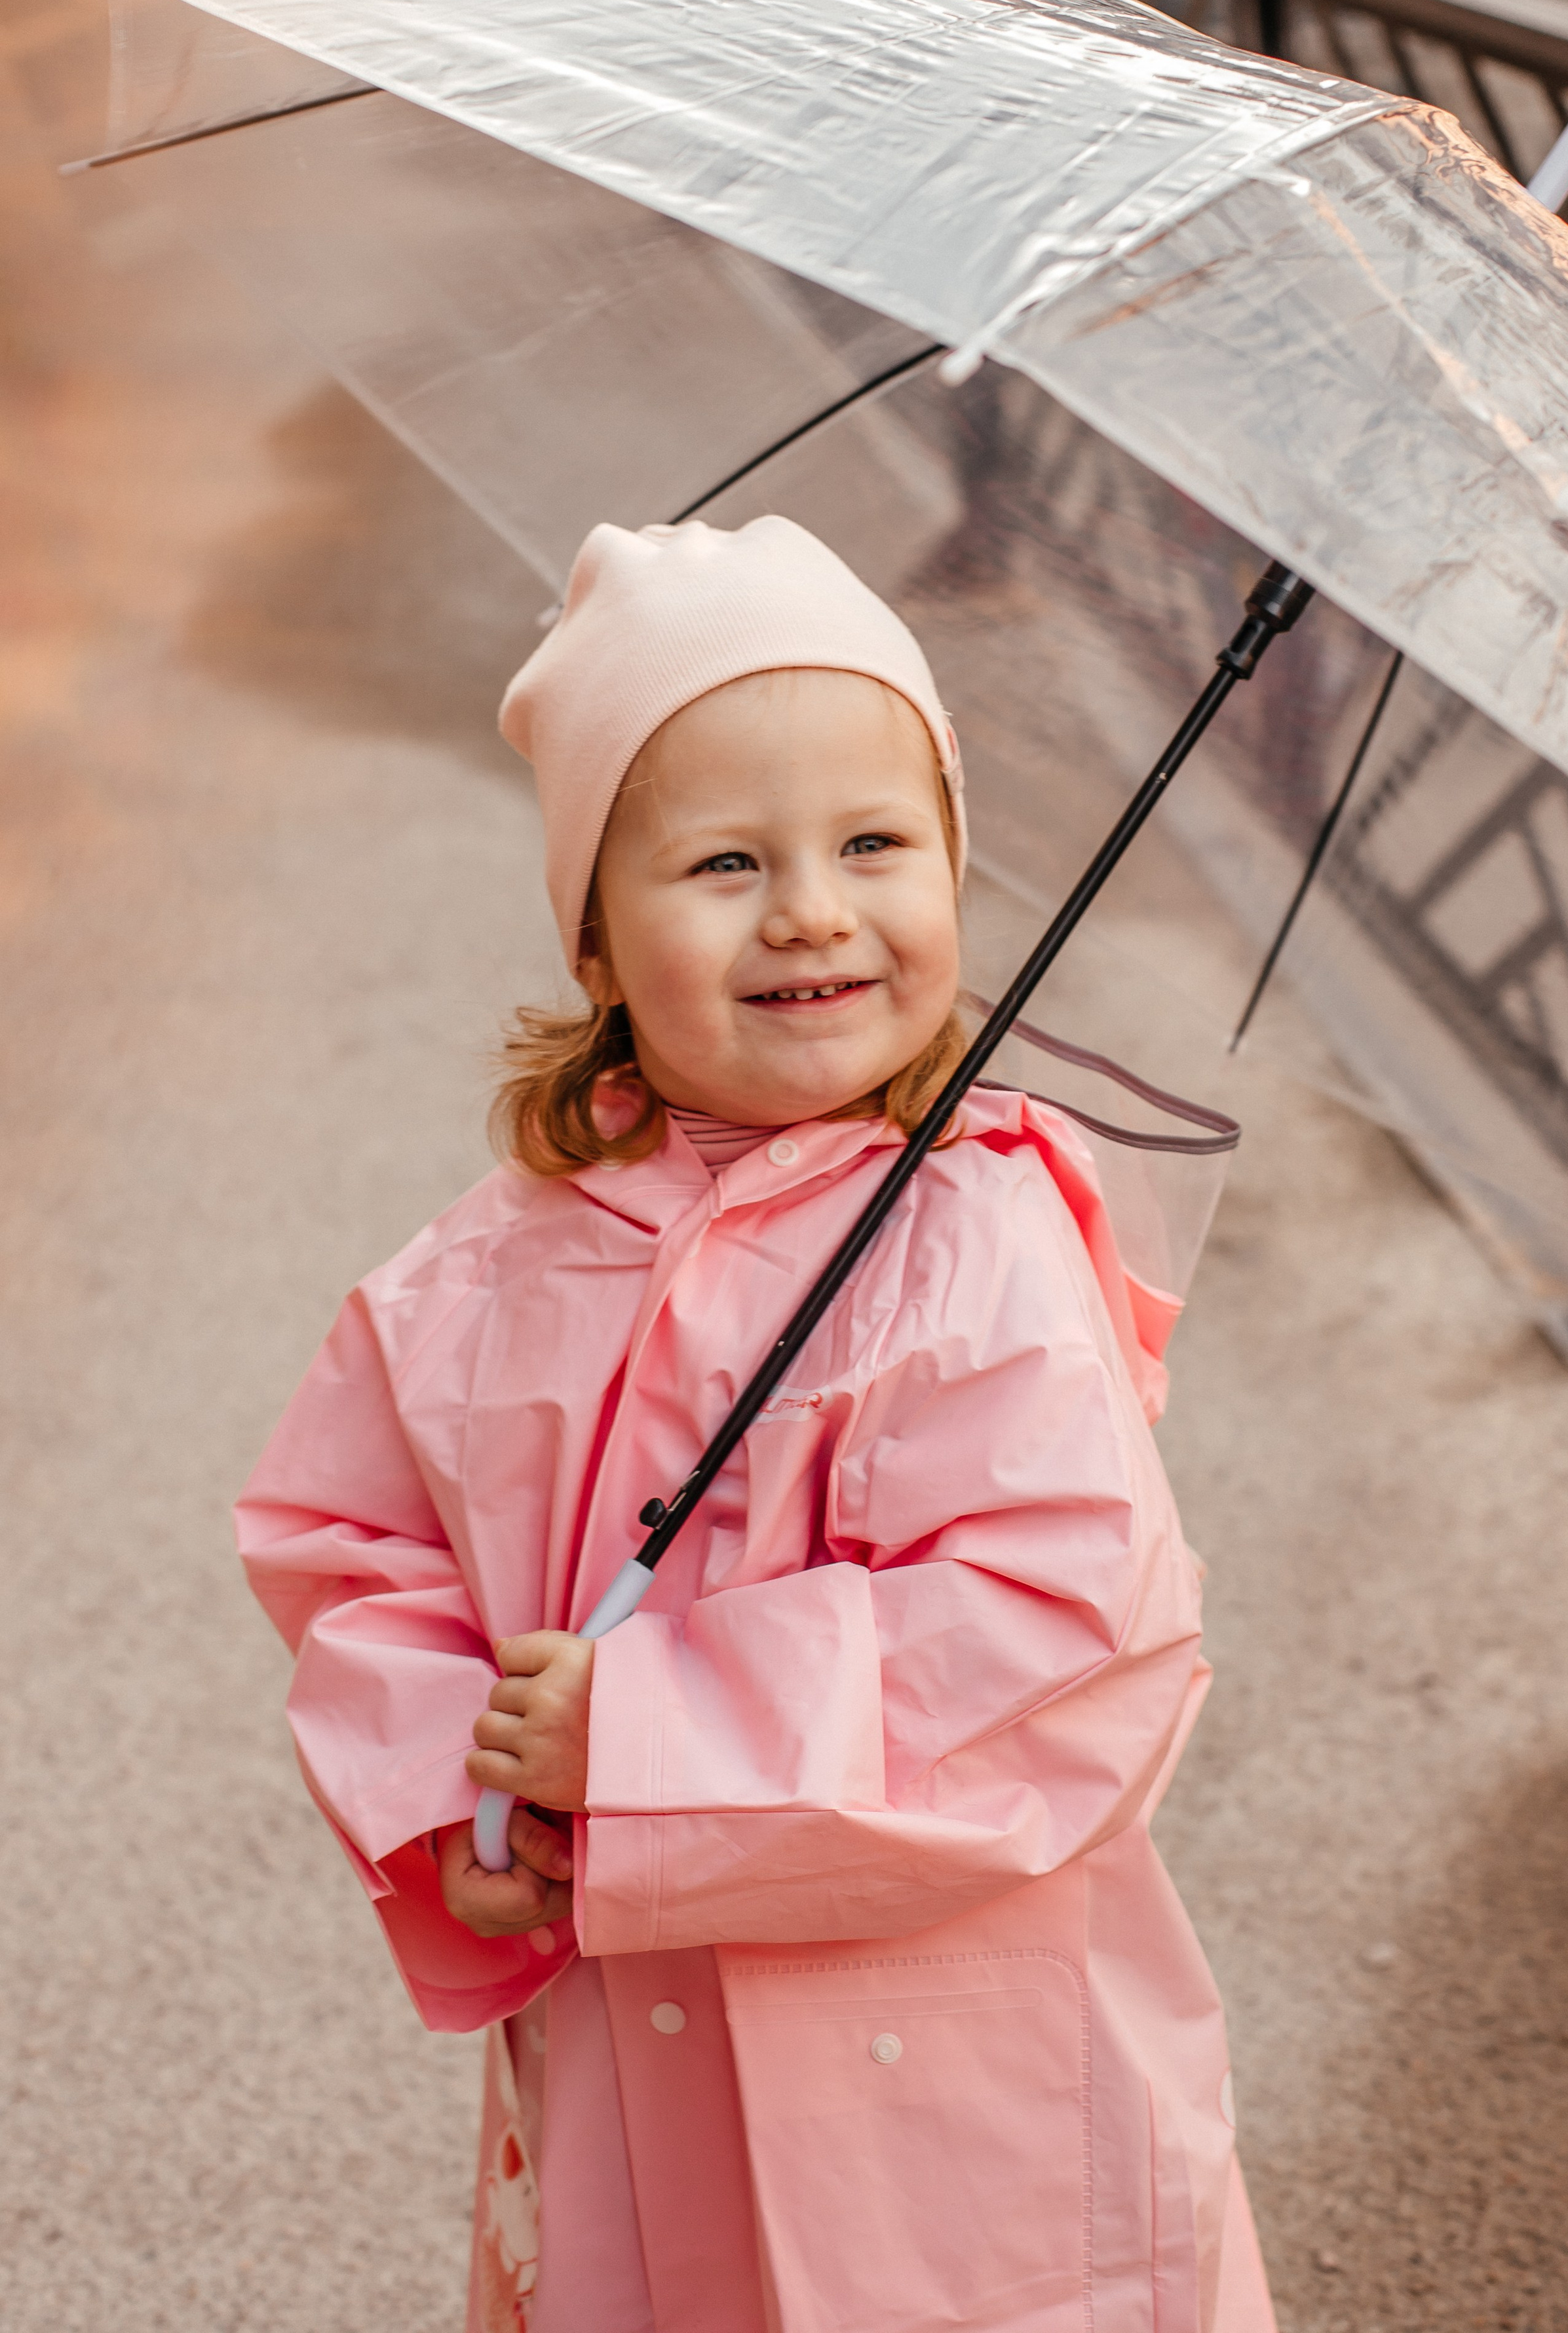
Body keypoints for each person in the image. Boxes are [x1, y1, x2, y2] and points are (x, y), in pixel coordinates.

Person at [237, 514, 1274, 2333]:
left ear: (957, 869)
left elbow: (1064, 1639)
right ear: (597, 939)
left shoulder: (982, 1235)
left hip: (958, 2091)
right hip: (640, 2078)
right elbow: (354, 1551)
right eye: (724, 860)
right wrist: (458, 1798)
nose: (810, 906)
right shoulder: (491, 1271)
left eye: (875, 842)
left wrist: (646, 1729)